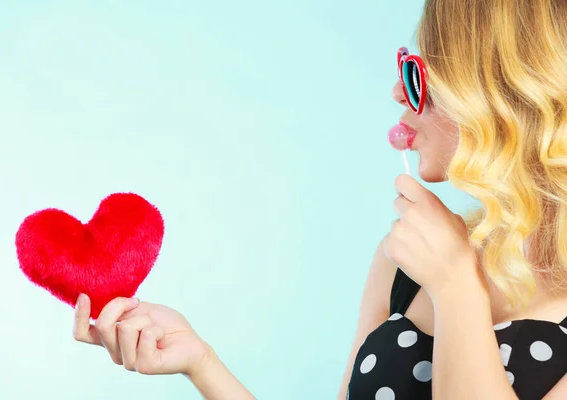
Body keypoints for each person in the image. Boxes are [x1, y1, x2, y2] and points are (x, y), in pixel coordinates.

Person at [73, 0, 567, 399]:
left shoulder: (442, 267)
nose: (398, 91)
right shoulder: (406, 263)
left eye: (418, 74)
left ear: (501, 94)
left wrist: (458, 286)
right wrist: (200, 363)